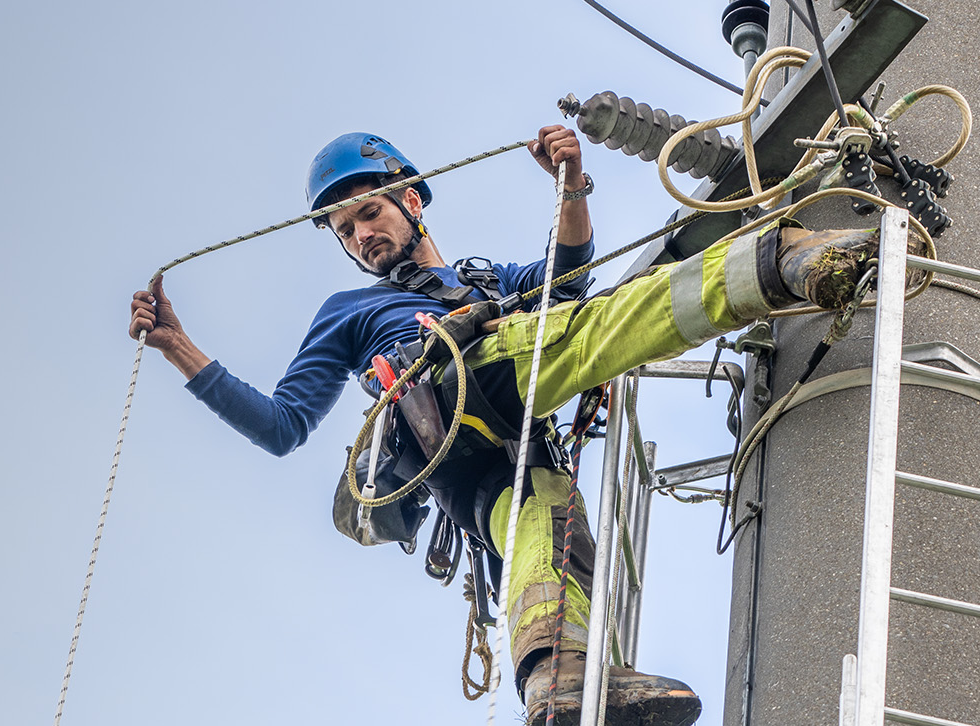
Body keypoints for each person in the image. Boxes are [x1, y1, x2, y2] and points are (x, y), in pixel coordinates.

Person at [128, 128, 882, 726]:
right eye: (344, 229)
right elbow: (282, 425)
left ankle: (555, 676)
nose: (359, 235)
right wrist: (178, 348)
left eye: (369, 213)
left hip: (510, 449)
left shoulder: (487, 280)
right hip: (455, 406)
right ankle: (779, 264)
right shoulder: (351, 313)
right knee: (597, 328)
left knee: (551, 533)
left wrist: (571, 184)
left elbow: (568, 272)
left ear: (411, 201)